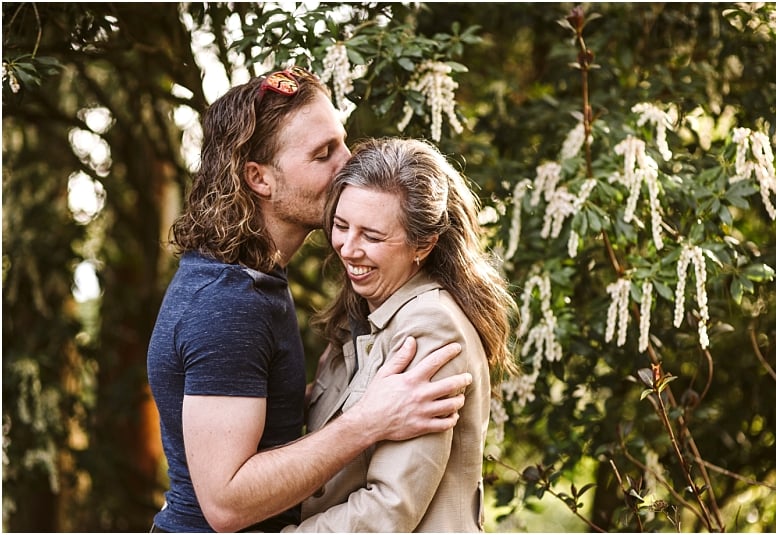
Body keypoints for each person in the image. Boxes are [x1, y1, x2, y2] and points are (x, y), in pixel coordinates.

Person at [146, 67, 472, 533]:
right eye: (323, 155)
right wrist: (368, 421)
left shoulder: (255, 277)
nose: (348, 161)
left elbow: (250, 410)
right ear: (260, 178)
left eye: (341, 142)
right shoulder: (229, 302)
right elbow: (226, 504)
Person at [283, 137, 519, 532]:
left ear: (423, 244)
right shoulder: (368, 318)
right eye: (341, 226)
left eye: (372, 237)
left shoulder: (430, 327)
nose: (347, 248)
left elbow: (388, 509)